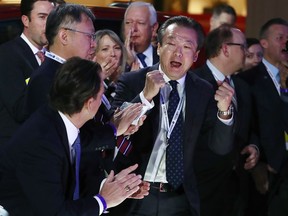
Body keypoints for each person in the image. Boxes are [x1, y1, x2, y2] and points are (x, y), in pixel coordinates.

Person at [111, 15, 235, 216]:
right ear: (158, 47)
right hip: (134, 193)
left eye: (187, 47)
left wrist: (224, 111)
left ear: (195, 56)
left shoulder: (204, 90)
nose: (178, 52)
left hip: (180, 198)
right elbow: (113, 129)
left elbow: (220, 148)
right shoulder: (133, 81)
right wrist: (145, 96)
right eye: (171, 43)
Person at [0, 57, 149, 216]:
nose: (102, 102)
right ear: (89, 103)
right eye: (101, 94)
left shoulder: (58, 121)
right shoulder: (42, 144)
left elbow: (67, 179)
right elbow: (56, 212)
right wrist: (103, 200)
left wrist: (112, 188)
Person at [194, 25, 259, 216]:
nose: (246, 52)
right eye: (243, 46)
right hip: (202, 189)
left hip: (237, 188)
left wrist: (254, 146)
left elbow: (251, 127)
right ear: (225, 49)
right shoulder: (194, 82)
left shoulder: (242, 86)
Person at [239, 18, 288, 216]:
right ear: (264, 43)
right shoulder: (247, 80)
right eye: (281, 38)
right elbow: (247, 125)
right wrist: (257, 164)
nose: (286, 42)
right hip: (266, 170)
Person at [0, 0, 55, 146]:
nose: (49, 24)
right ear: (26, 20)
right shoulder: (8, 54)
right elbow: (20, 109)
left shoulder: (50, 58)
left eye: (52, 18)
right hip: (15, 152)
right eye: (42, 17)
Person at [123, 1, 159, 69]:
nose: (133, 29)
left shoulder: (164, 57)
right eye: (128, 23)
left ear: (154, 28)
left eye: (140, 23)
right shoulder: (116, 58)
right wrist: (129, 64)